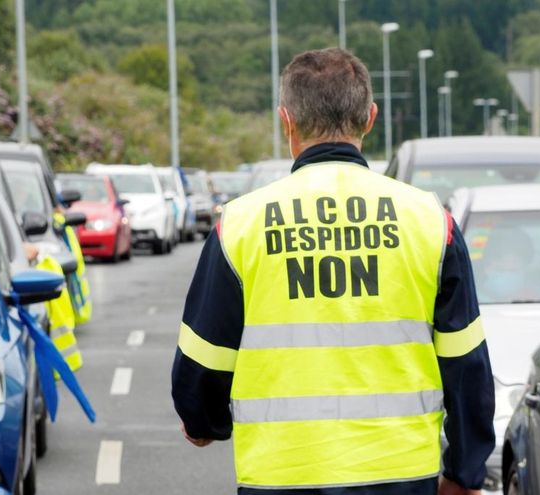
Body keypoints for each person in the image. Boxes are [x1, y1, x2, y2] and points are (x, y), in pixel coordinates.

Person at [171, 48, 494, 495]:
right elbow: (465, 361)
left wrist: (203, 420)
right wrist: (464, 471)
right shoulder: (429, 220)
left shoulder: (241, 224)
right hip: (399, 474)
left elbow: (206, 354)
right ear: (370, 118)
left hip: (280, 474)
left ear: (286, 121)